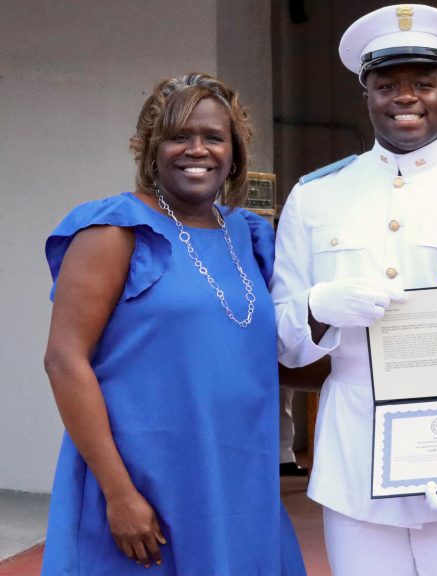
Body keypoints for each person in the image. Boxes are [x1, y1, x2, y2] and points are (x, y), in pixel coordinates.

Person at [270, 5, 437, 575]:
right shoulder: (317, 197)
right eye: (387, 84)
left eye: (424, 83)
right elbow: (285, 340)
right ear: (365, 93)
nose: (406, 97)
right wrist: (318, 310)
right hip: (355, 457)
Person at [41, 73, 306, 575]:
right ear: (150, 148)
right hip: (144, 480)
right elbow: (63, 360)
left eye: (213, 137)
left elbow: (264, 356)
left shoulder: (247, 235)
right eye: (179, 136)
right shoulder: (115, 230)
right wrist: (119, 493)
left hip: (237, 479)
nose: (197, 150)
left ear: (234, 152)